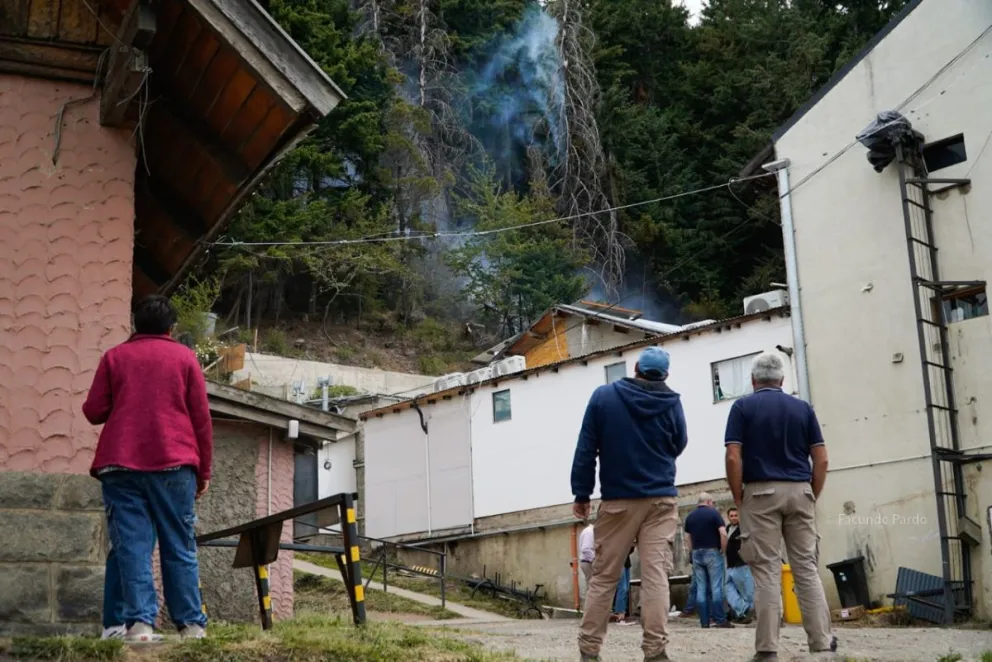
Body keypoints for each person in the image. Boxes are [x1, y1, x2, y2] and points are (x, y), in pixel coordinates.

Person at [84, 295, 213, 643]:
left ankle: (139, 625)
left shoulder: (115, 357)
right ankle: (191, 626)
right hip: (175, 464)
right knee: (179, 545)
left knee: (132, 546)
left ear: (135, 325)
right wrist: (203, 473)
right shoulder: (185, 358)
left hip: (120, 465)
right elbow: (202, 420)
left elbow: (93, 410)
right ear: (171, 328)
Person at [571, 346, 688, 662]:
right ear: (664, 375)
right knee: (655, 577)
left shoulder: (603, 397)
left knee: (605, 576)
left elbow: (586, 448)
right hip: (661, 501)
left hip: (618, 501)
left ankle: (589, 651)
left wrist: (581, 494)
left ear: (635, 367)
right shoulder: (672, 402)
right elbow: (679, 444)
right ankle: (655, 651)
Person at [724, 351, 837, 662]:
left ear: (753, 380)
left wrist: (738, 496)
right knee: (806, 570)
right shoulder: (802, 408)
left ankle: (767, 649)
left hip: (760, 493)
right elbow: (822, 458)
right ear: (782, 380)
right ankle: (821, 643)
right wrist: (811, 492)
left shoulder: (742, 407)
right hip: (800, 491)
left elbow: (734, 456)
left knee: (767, 573)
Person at [683, 493, 733, 629]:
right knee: (716, 587)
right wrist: (723, 550)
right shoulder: (714, 514)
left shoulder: (690, 517)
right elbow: (723, 533)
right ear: (709, 502)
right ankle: (720, 620)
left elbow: (687, 537)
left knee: (701, 588)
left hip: (697, 553)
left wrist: (692, 552)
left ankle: (704, 622)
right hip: (713, 552)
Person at [725, 507, 754, 623]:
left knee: (747, 592)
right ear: (728, 517)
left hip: (741, 564)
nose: (734, 518)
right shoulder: (727, 529)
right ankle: (743, 610)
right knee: (727, 589)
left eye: (736, 515)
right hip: (729, 565)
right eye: (731, 516)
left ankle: (747, 614)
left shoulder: (743, 529)